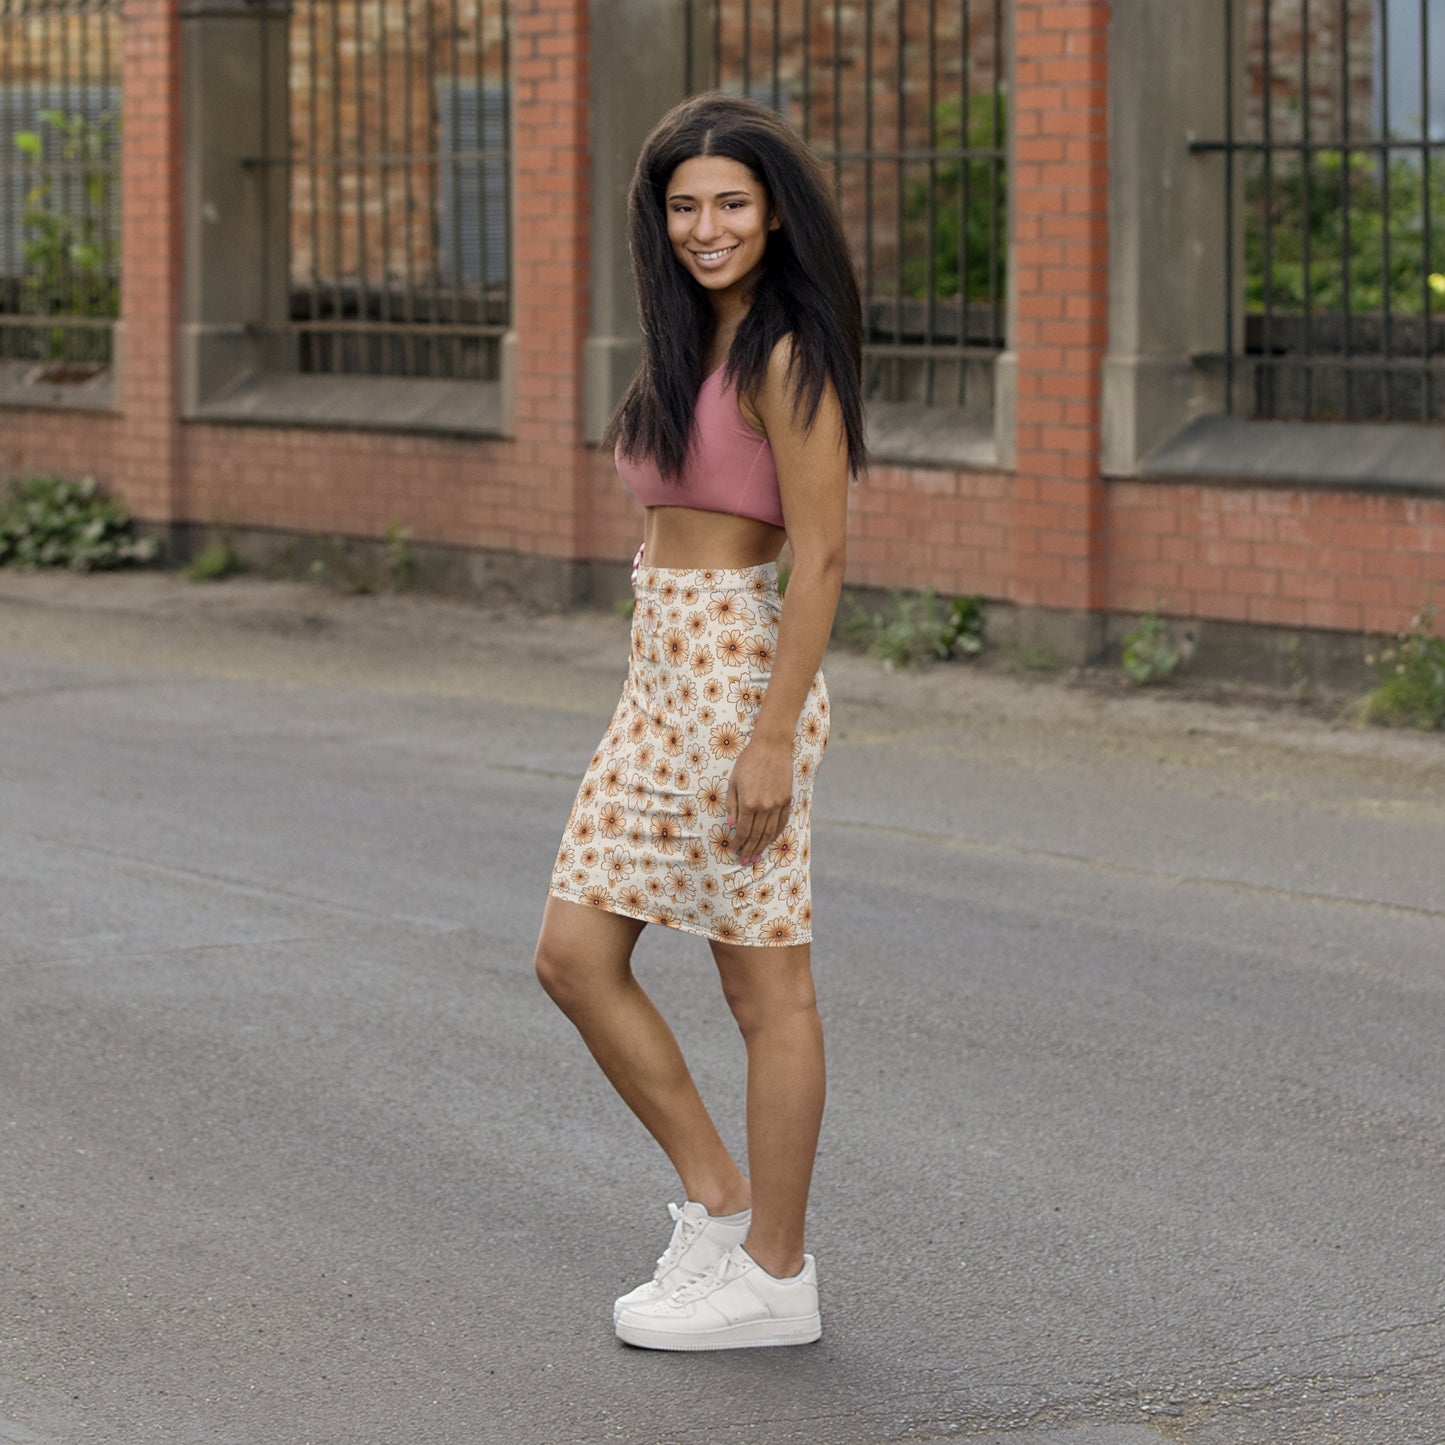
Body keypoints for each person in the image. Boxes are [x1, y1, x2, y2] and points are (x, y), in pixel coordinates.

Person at [533, 92, 866, 1352]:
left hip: (738, 682)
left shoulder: (787, 352)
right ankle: (717, 1204)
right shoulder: (686, 347)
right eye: (683, 206)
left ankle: (776, 1272)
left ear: (773, 210)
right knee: (572, 953)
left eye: (729, 202)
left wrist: (773, 732)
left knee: (763, 983)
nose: (706, 226)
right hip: (657, 678)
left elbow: (823, 557)